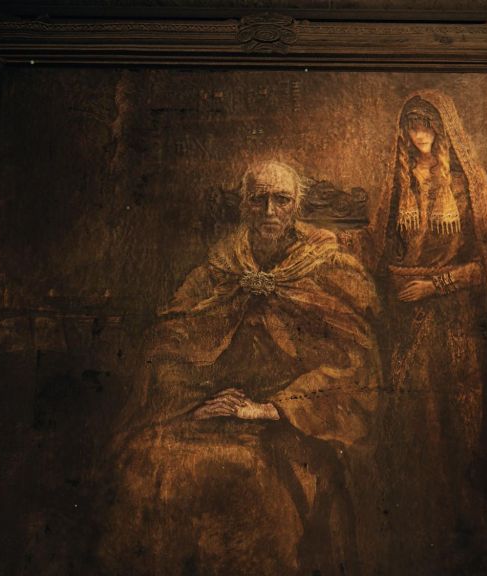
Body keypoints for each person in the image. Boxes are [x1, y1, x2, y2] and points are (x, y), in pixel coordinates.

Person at [96, 161, 383, 576]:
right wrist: (195, 403)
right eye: (258, 199)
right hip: (211, 407)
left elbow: (355, 363)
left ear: (297, 206)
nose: (269, 211)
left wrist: (271, 409)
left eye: (281, 200)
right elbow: (166, 342)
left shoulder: (330, 267)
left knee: (244, 476)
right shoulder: (218, 267)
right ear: (243, 206)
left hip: (290, 422)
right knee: (143, 459)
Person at [369, 90, 487, 574]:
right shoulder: (396, 186)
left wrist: (435, 286)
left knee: (460, 427)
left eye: (427, 124)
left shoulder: (463, 185)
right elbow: (377, 256)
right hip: (405, 325)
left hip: (456, 326)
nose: (420, 133)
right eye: (412, 124)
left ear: (442, 128)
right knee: (412, 427)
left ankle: (465, 533)